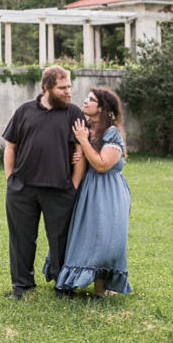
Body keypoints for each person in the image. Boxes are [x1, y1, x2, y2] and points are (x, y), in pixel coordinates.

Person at [2, 66, 85, 300]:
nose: (68, 91)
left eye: (69, 86)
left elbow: (81, 151)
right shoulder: (24, 111)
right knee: (21, 238)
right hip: (22, 188)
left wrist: (74, 185)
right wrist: (11, 180)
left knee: (60, 239)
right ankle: (21, 286)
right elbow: (11, 146)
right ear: (47, 88)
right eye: (63, 88)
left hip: (59, 189)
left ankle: (63, 286)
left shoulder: (74, 113)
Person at [47, 86, 133, 298]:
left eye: (91, 99)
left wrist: (84, 142)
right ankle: (71, 282)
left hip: (107, 191)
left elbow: (102, 165)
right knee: (84, 234)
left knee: (103, 237)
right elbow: (82, 158)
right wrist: (77, 156)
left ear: (102, 108)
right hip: (86, 188)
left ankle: (101, 290)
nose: (85, 101)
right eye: (86, 97)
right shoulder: (84, 128)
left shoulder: (112, 132)